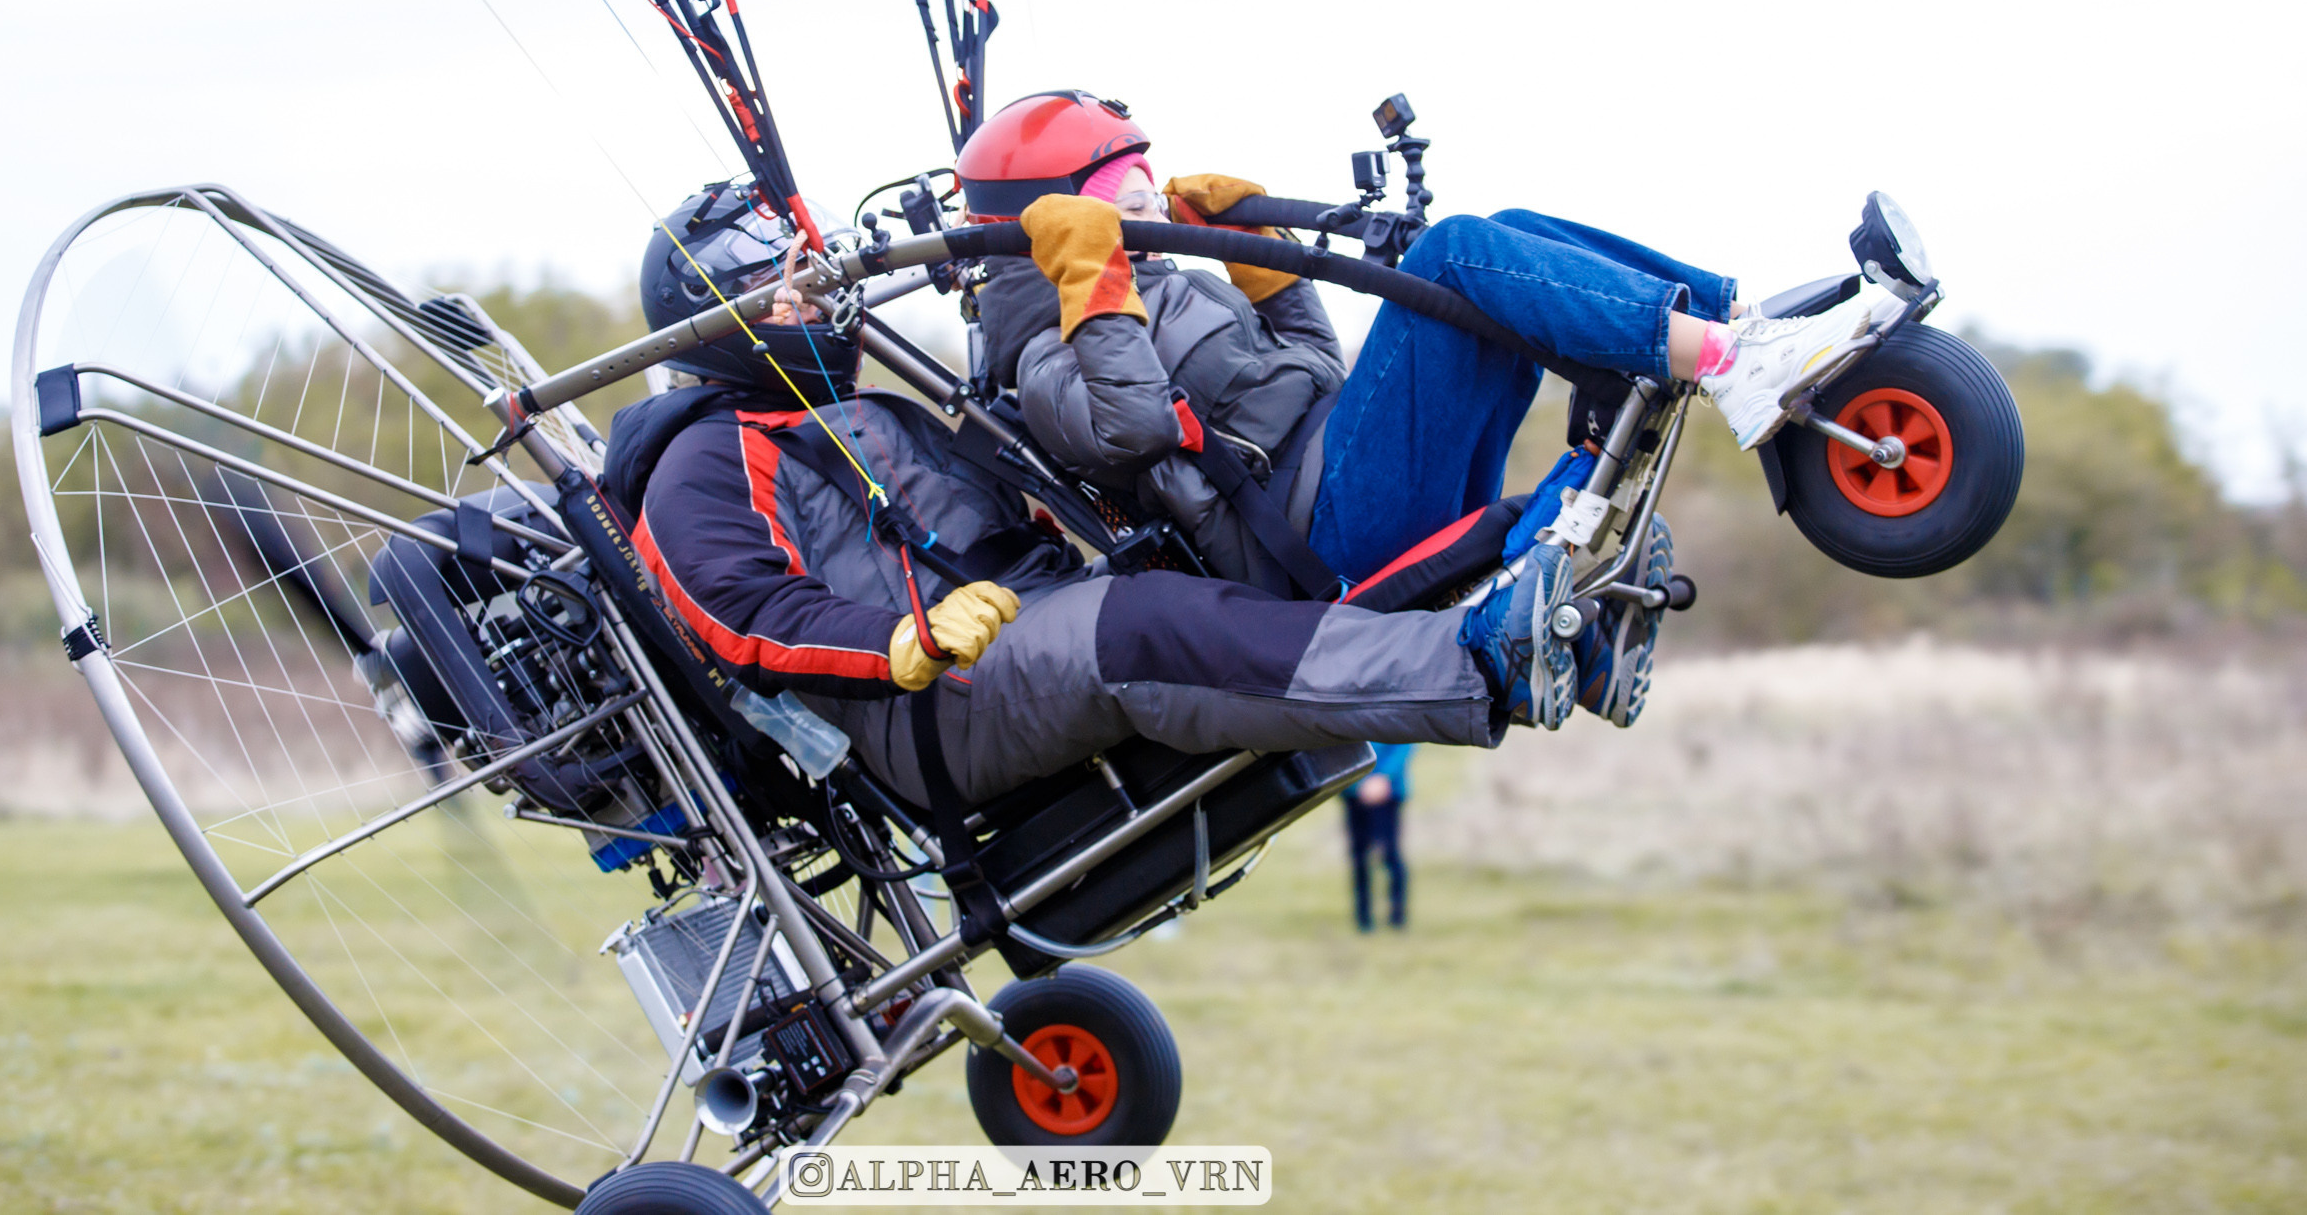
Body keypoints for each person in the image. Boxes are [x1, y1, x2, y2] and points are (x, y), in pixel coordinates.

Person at [604, 178, 1585, 816]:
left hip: (1019, 629)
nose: (816, 307)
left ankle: (1559, 565)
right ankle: (1483, 665)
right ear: (716, 321)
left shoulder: (874, 420)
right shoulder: (702, 456)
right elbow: (737, 609)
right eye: (788, 296)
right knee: (1141, 623)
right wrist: (901, 642)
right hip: (927, 706)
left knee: (1195, 573)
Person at [957, 90, 1895, 730]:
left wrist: (1259, 252)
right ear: (1057, 215)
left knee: (1510, 237)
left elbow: (1316, 368)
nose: (1142, 198)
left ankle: (1739, 324)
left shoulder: (1154, 286)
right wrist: (1092, 278)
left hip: (1352, 463)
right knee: (1452, 255)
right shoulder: (1045, 353)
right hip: (1318, 535)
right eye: (1120, 186)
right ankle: (1734, 362)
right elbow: (1134, 424)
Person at [1345, 742, 1412, 932]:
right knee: (1359, 856)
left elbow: (1406, 740)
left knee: (1390, 853)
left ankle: (1397, 918)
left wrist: (1384, 777)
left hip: (1389, 791)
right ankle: (1363, 919)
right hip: (1354, 789)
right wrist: (1358, 782)